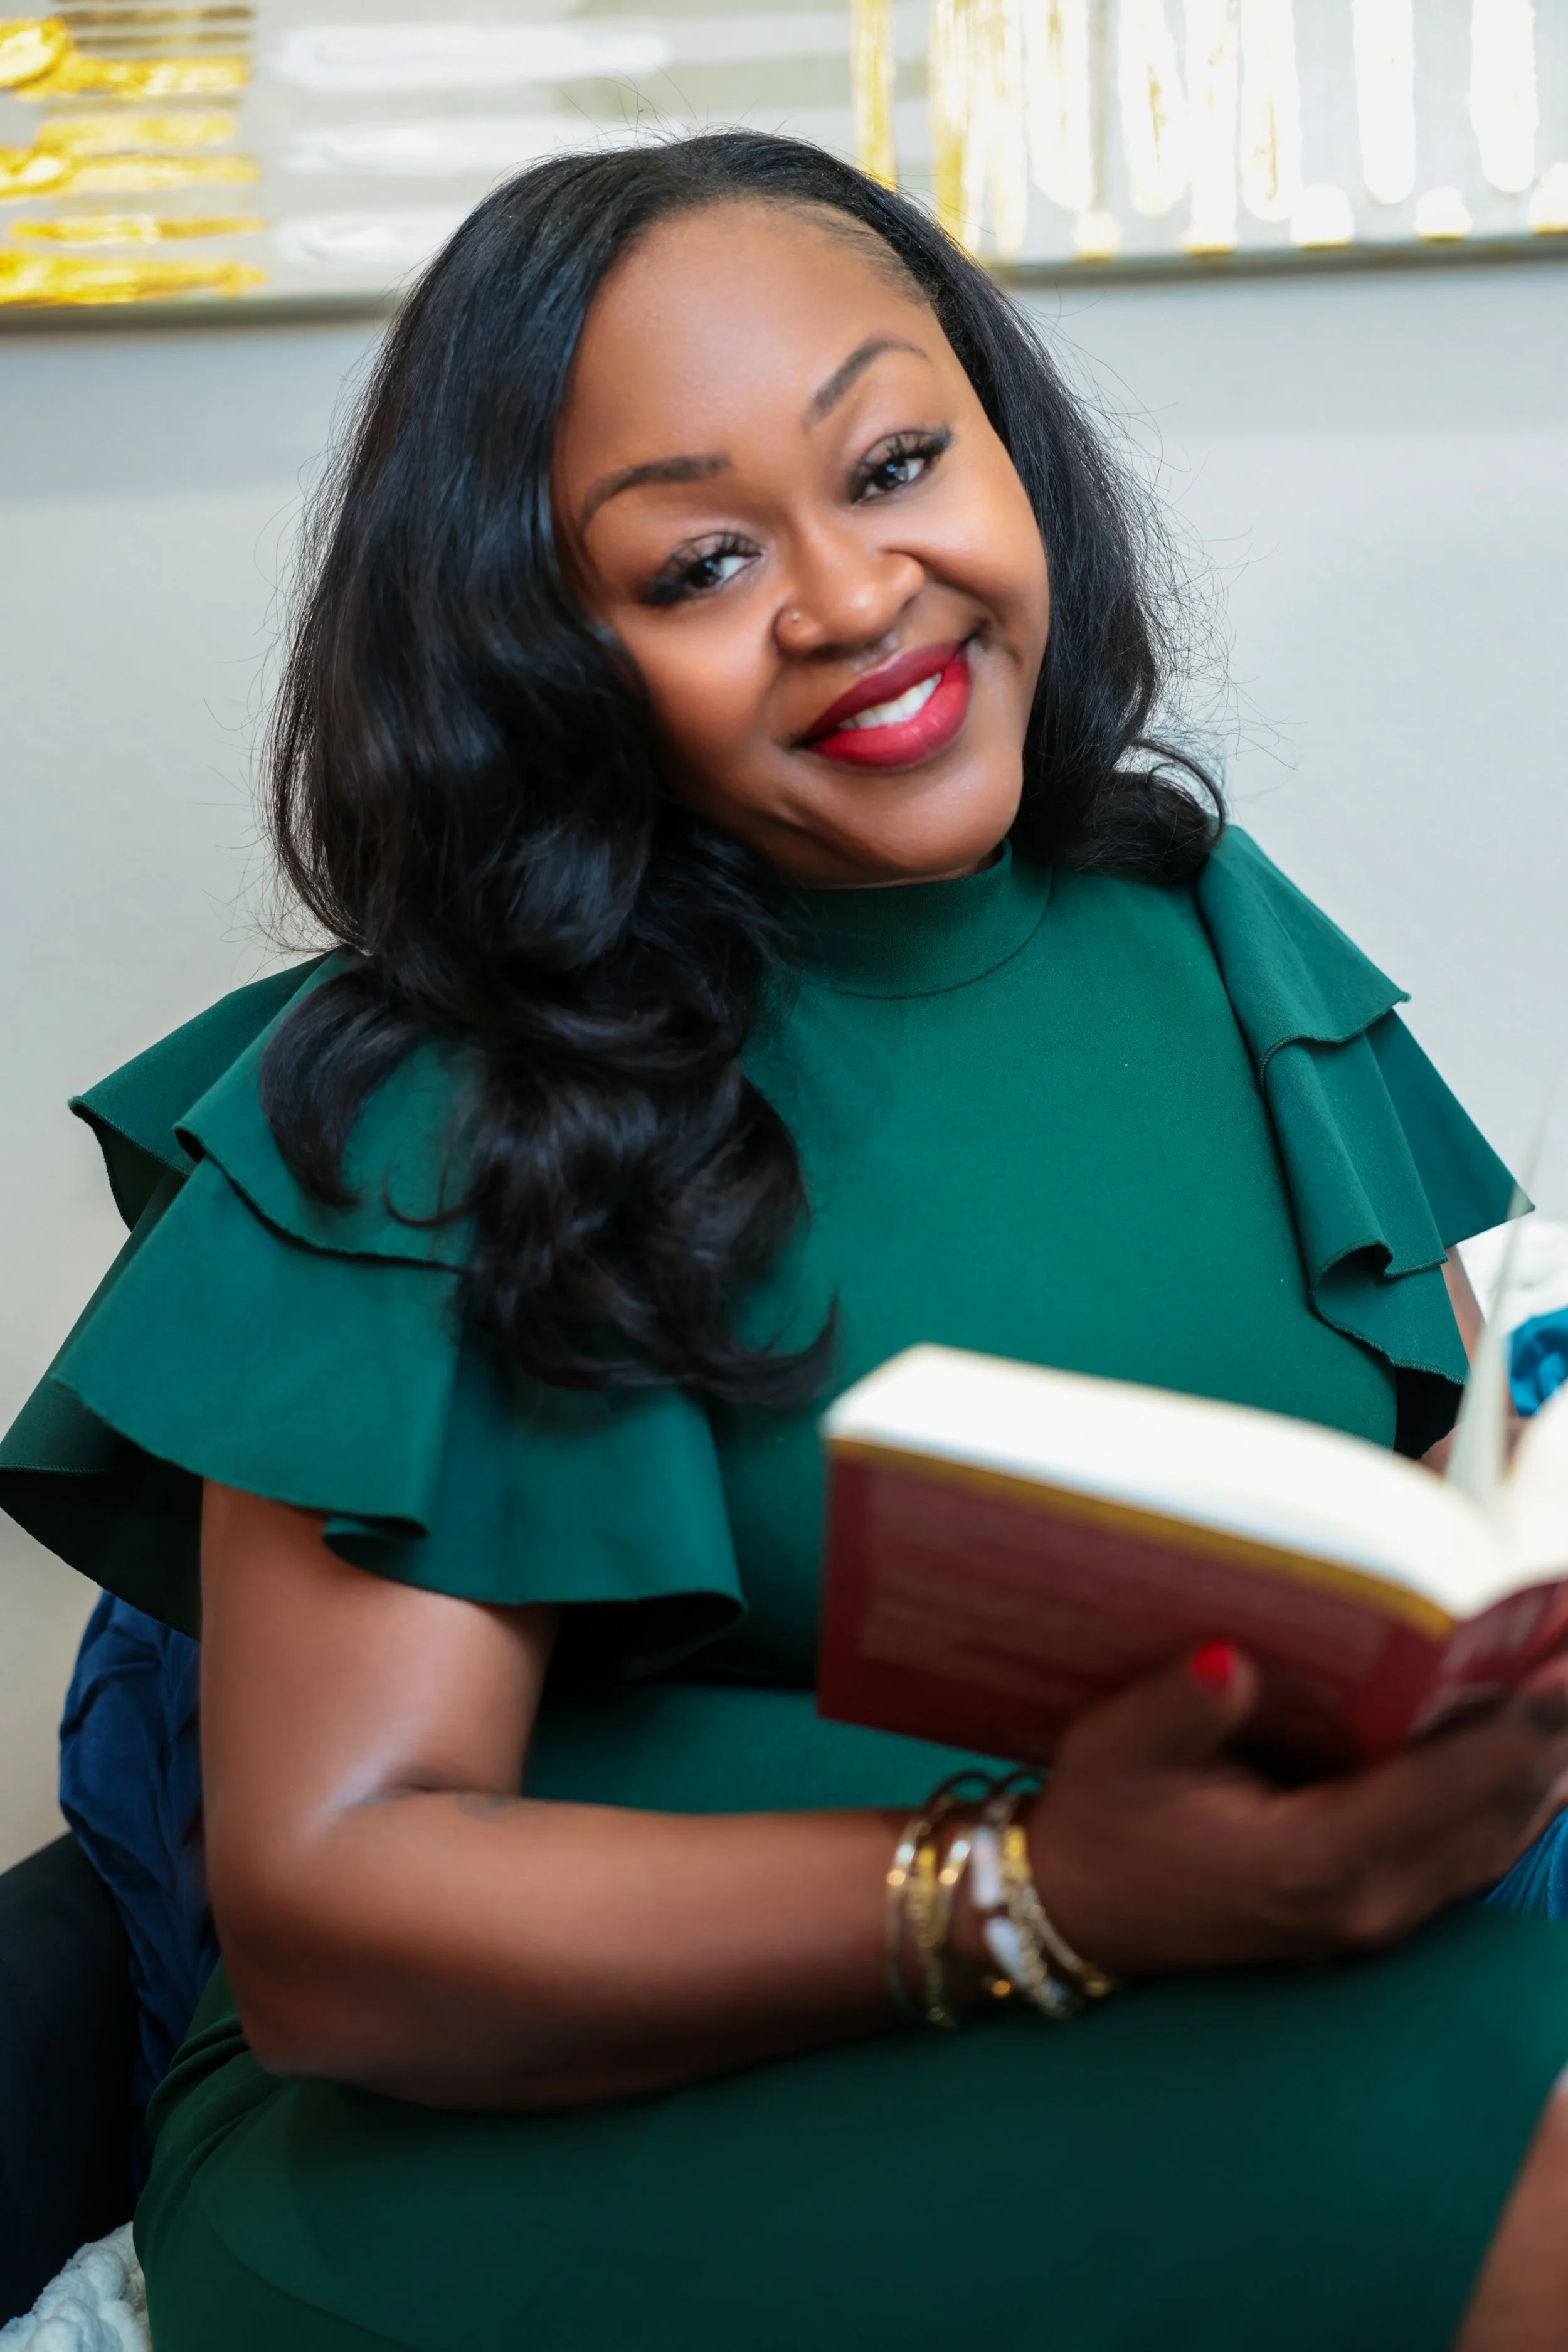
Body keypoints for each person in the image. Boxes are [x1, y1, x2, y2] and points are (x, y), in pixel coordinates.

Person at [3, 130, 1567, 2352]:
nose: (847, 596)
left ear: (1011, 453)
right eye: (701, 561)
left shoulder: (1205, 935)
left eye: (898, 459)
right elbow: (339, 1917)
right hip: (522, 2156)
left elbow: (1443, 1504)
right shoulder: (428, 1094)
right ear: (550, 657)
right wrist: (1041, 1885)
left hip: (1193, 2004)